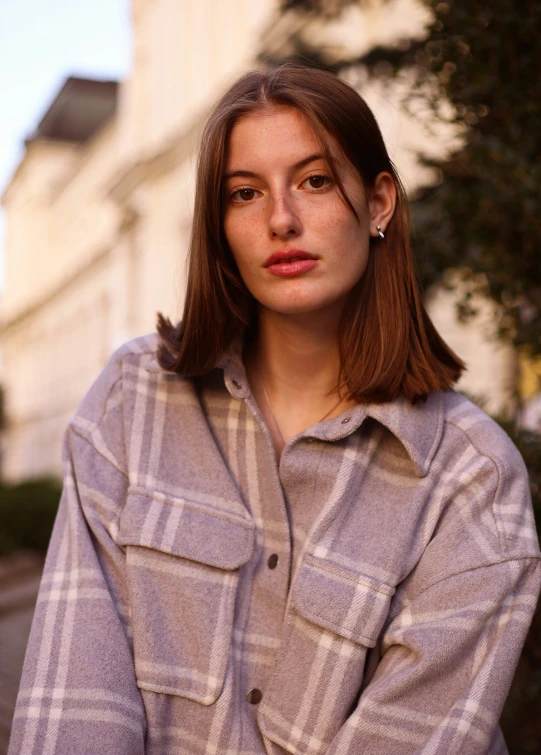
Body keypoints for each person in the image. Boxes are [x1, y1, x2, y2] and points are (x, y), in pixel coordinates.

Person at [8, 65, 541, 755]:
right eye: (244, 192)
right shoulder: (131, 400)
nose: (280, 219)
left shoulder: (469, 477)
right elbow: (76, 708)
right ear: (220, 225)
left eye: (314, 180)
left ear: (378, 202)